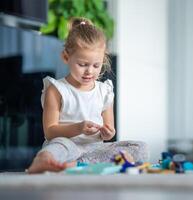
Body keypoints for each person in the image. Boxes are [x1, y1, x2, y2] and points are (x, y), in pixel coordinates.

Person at [27, 17, 148, 173]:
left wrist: (108, 132)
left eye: (96, 65)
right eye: (82, 65)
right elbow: (50, 131)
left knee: (140, 149)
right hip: (67, 145)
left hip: (94, 149)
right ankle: (44, 160)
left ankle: (77, 165)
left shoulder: (105, 91)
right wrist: (79, 128)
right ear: (66, 57)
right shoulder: (56, 89)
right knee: (58, 147)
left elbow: (108, 133)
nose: (89, 71)